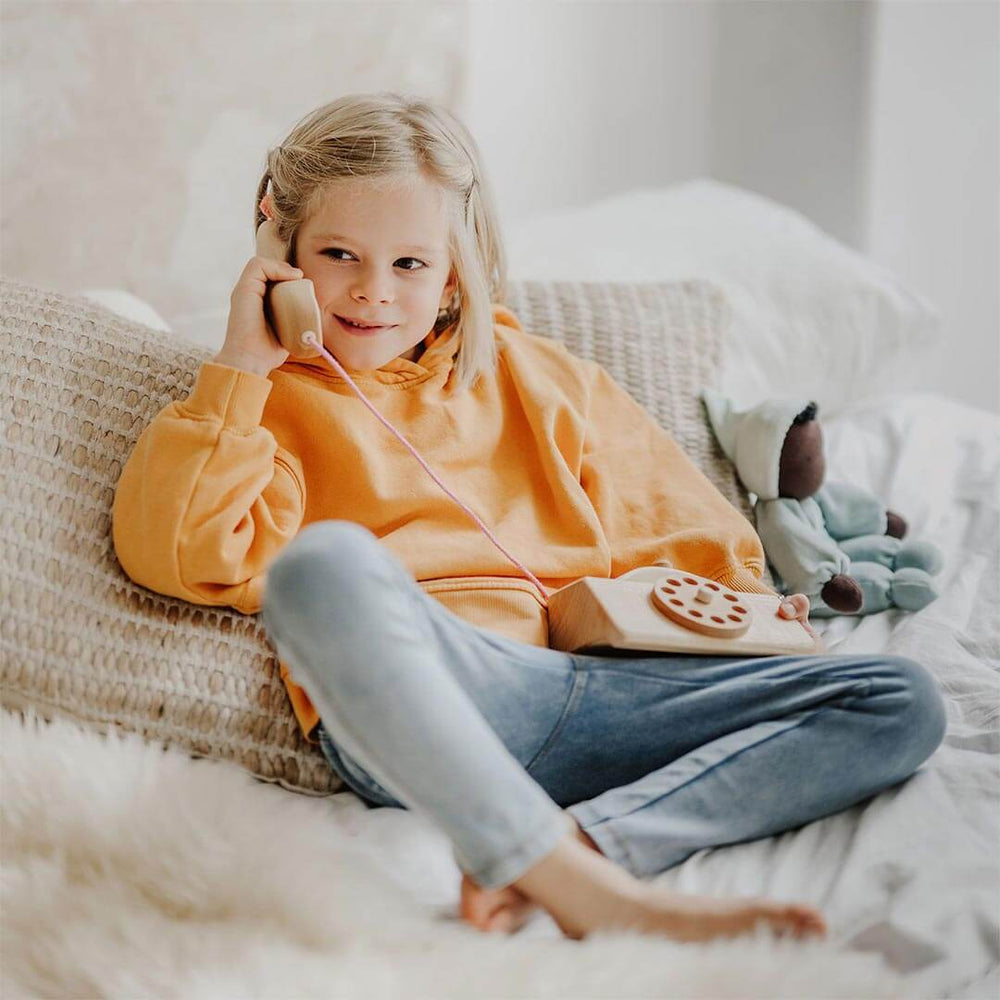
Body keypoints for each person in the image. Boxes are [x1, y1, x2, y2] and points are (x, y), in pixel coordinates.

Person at [111, 92, 947, 944]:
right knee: (319, 567)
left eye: (410, 264)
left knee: (901, 699)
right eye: (338, 254)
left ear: (455, 271)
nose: (372, 292)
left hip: (607, 694)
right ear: (278, 244)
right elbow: (180, 549)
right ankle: (597, 892)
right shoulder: (264, 402)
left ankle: (584, 852)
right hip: (440, 697)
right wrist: (244, 362)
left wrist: (744, 613)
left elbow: (689, 533)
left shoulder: (544, 376)